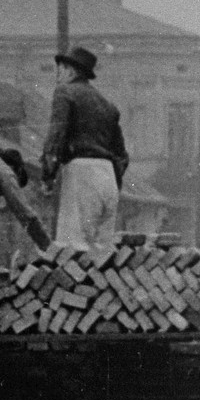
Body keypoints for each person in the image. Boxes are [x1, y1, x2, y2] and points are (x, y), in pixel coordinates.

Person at [40, 45, 128, 250]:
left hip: (82, 175)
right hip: (108, 177)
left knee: (74, 250)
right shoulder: (108, 105)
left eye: (60, 70)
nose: (58, 75)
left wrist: (48, 176)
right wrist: (114, 180)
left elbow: (56, 137)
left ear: (71, 71)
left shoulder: (65, 92)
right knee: (103, 254)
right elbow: (122, 155)